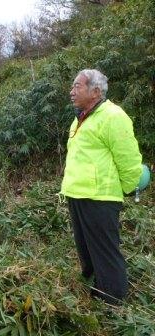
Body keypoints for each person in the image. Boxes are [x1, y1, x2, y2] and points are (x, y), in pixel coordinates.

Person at [61, 69, 142, 305]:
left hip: (100, 197)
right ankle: (94, 291)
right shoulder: (80, 118)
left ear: (95, 91)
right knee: (86, 250)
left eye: (77, 86)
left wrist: (127, 188)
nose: (72, 91)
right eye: (72, 86)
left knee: (105, 252)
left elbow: (128, 159)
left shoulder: (113, 116)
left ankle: (113, 304)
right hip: (77, 194)